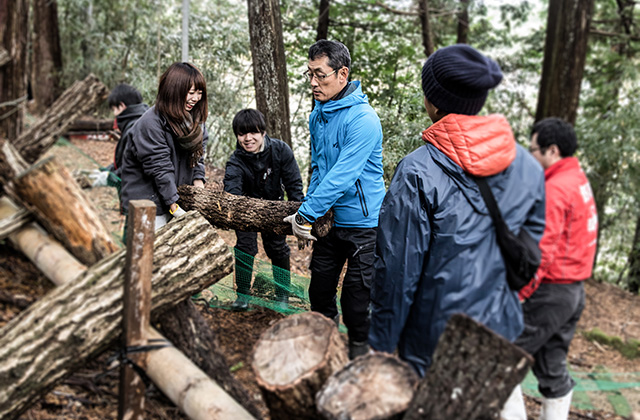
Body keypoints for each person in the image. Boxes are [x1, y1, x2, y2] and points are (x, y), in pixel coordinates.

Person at [368, 44, 546, 377]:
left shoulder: (417, 172)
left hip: (433, 340)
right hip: (498, 329)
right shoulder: (526, 164)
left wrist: (380, 343)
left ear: (432, 102)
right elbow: (533, 244)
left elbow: (397, 271)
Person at [283, 39, 385, 359]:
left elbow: (343, 175)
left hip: (365, 226)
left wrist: (305, 215)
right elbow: (319, 167)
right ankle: (325, 356)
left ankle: (358, 362)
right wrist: (309, 209)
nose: (313, 82)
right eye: (309, 74)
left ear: (342, 74)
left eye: (320, 75)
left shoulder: (363, 120)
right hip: (330, 222)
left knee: (356, 304)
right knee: (319, 292)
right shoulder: (319, 114)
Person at [502, 118, 598, 420]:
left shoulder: (556, 188)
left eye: (533, 150)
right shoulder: (578, 179)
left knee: (503, 362)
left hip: (551, 292)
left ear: (552, 150)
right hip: (573, 292)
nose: (530, 156)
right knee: (552, 367)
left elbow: (543, 250)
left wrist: (522, 292)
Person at [224, 109, 304, 311]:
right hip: (245, 211)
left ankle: (282, 295)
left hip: (275, 208)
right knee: (245, 246)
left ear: (263, 132)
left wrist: (303, 218)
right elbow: (232, 195)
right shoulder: (235, 161)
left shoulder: (280, 151)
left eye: (253, 133)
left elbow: (294, 185)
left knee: (277, 248)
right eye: (242, 134)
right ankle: (242, 295)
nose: (248, 138)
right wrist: (240, 211)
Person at [120, 62, 208, 231]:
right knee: (149, 254)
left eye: (199, 93)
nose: (196, 98)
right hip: (148, 203)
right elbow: (160, 167)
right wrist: (175, 207)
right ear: (174, 91)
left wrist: (199, 193)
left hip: (175, 197)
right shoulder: (150, 123)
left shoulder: (194, 122)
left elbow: (197, 158)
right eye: (191, 93)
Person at [88, 83, 149, 189]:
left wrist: (109, 178)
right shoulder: (137, 124)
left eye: (114, 109)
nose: (114, 114)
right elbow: (126, 160)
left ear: (121, 106)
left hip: (138, 196)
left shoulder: (136, 129)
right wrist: (105, 171)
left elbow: (135, 169)